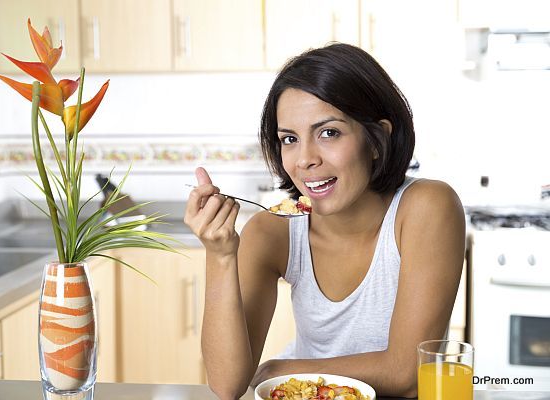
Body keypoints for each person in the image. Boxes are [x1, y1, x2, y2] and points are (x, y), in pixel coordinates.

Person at [184, 43, 465, 399]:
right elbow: (226, 384)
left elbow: (406, 372)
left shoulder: (427, 207)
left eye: (329, 132)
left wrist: (276, 370)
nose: (304, 160)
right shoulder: (275, 230)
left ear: (377, 138)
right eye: (289, 139)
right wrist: (220, 255)